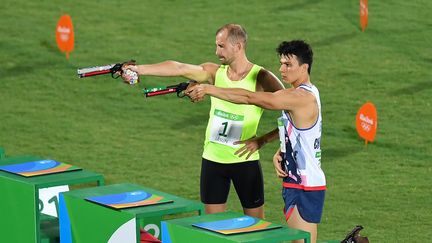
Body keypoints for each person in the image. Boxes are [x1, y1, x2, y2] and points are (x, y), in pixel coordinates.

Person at [121, 24, 284, 218]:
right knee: (211, 228)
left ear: (238, 46)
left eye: (221, 46)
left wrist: (263, 140)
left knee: (256, 228)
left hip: (245, 162)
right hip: (212, 160)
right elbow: (178, 67)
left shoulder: (262, 77)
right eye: (216, 45)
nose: (217, 52)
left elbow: (291, 113)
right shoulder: (214, 73)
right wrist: (138, 69)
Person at [186, 40, 325, 243]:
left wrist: (209, 89)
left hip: (304, 185)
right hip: (298, 181)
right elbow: (300, 132)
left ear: (304, 67)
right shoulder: (306, 93)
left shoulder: (300, 97)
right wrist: (281, 150)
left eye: (288, 65)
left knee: (301, 241)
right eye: (281, 63)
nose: (282, 69)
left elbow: (251, 97)